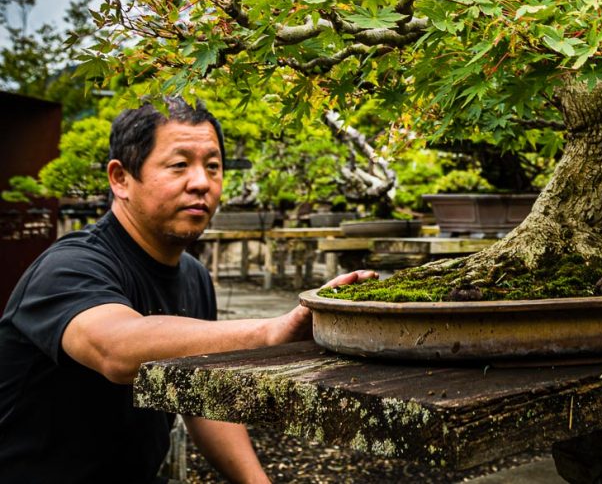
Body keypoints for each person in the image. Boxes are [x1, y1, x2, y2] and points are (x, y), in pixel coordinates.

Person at [0, 98, 376, 483]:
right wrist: (270, 332)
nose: (201, 182)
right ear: (121, 179)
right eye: (179, 165)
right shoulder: (69, 266)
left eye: (213, 167)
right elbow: (116, 347)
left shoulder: (193, 276)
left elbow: (200, 395)